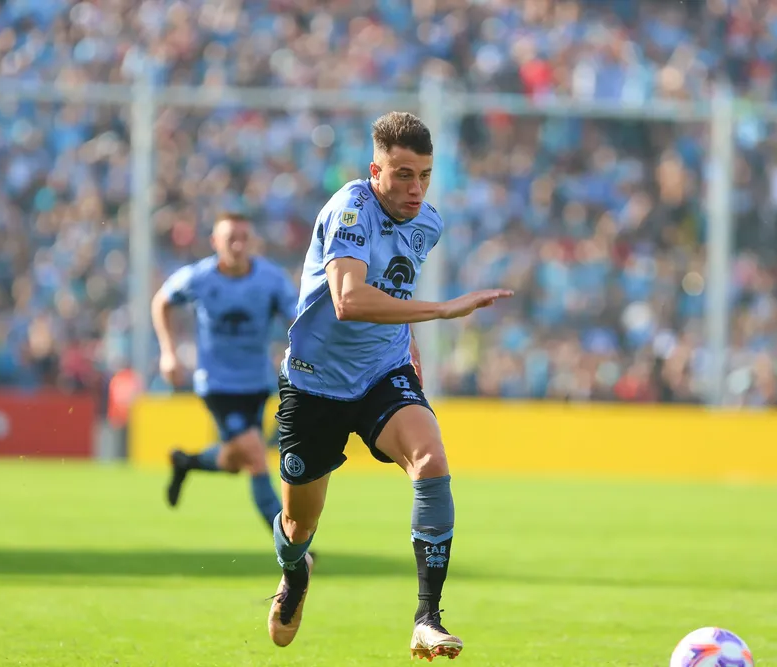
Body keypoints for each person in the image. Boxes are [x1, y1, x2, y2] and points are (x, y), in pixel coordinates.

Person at [266, 111, 512, 660]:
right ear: (375, 170)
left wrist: (413, 347)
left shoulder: (428, 223)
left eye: (424, 174)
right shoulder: (351, 207)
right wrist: (443, 311)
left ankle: (427, 617)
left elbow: (393, 290)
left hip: (382, 374)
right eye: (402, 174)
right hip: (314, 384)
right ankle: (295, 571)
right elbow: (349, 300)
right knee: (298, 522)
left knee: (432, 459)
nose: (415, 188)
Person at [151, 213, 298, 533]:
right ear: (215, 242)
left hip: (257, 384)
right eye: (230, 237)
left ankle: (186, 462)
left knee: (235, 461)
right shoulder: (200, 277)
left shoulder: (271, 280)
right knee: (257, 457)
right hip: (217, 383)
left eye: (244, 237)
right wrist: (168, 352)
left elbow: (297, 319)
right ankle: (290, 544)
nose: (237, 244)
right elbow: (161, 301)